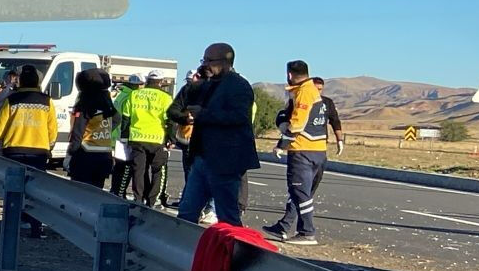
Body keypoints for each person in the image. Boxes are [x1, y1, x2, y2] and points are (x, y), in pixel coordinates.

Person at [175, 42, 260, 226]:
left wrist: (203, 114)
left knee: (226, 214)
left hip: (225, 159)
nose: (205, 64)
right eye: (203, 59)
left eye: (209, 60)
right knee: (187, 210)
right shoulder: (208, 84)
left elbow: (238, 117)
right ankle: (185, 250)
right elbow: (179, 106)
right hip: (202, 157)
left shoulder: (239, 85)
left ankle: (230, 251)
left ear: (225, 62)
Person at [263, 60, 329, 245]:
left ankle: (307, 232)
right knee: (300, 191)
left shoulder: (304, 93)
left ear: (290, 74)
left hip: (303, 150)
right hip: (319, 150)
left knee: (300, 192)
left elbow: (297, 124)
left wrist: (282, 143)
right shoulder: (313, 91)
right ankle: (284, 226)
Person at [0, 65, 57, 236]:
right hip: (39, 151)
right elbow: (53, 129)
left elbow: (0, 126)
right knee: (36, 192)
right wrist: (49, 146)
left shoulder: (12, 100)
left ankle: (12, 226)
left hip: (13, 150)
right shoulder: (47, 101)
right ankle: (36, 227)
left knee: (13, 191)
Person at [123, 71, 175, 205]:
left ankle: (139, 198)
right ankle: (152, 201)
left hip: (137, 137)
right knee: (158, 170)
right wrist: (171, 139)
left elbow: (126, 118)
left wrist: (124, 137)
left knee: (138, 170)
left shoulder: (134, 95)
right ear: (161, 82)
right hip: (157, 138)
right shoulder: (166, 98)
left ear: (147, 81)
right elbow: (170, 121)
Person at [66, 67, 119, 189]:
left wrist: (70, 154)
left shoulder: (85, 106)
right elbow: (117, 119)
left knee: (80, 193)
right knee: (96, 193)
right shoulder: (108, 105)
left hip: (85, 156)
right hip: (105, 156)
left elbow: (77, 133)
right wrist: (101, 131)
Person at [108, 75, 139, 197]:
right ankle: (120, 192)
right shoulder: (131, 96)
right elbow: (128, 117)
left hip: (116, 135)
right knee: (127, 167)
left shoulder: (121, 94)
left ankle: (115, 190)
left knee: (119, 167)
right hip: (124, 135)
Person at [312, 76, 346, 154]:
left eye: (320, 89)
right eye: (315, 89)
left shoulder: (327, 102)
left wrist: (339, 140)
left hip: (321, 142)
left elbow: (335, 122)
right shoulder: (302, 102)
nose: (317, 91)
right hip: (304, 143)